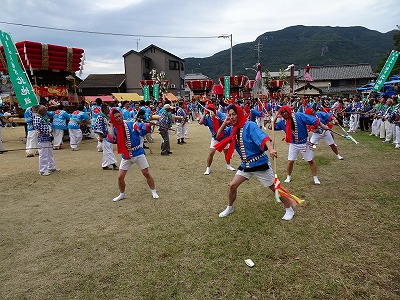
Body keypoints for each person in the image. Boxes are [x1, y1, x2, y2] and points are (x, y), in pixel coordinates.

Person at [214, 104, 296, 221]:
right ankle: (230, 207)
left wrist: (271, 149)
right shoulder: (233, 129)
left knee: (274, 187)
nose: (231, 117)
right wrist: (224, 123)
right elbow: (218, 136)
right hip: (246, 165)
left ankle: (289, 208)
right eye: (229, 115)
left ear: (239, 114)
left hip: (259, 164)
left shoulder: (250, 125)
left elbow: (263, 137)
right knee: (233, 185)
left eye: (233, 114)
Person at [107, 109, 159, 202]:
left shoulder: (130, 124)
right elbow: (111, 138)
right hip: (126, 155)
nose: (118, 118)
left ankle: (153, 190)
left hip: (138, 152)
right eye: (116, 117)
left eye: (119, 116)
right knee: (120, 177)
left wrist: (149, 125)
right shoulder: (115, 129)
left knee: (146, 173)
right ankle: (122, 194)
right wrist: (111, 126)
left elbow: (141, 128)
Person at [274, 105, 330, 185]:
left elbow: (312, 120)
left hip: (304, 143)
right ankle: (288, 176)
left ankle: (315, 178)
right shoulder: (283, 123)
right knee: (290, 161)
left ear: (289, 111)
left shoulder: (299, 116)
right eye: (283, 113)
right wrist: (276, 116)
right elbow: (272, 127)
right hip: (293, 144)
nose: (285, 115)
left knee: (310, 161)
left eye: (286, 112)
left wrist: (323, 125)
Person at [198, 103, 236, 175]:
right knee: (211, 152)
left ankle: (228, 165)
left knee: (226, 152)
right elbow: (200, 122)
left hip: (223, 136)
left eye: (211, 110)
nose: (210, 112)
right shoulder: (207, 117)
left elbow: (225, 120)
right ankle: (208, 168)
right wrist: (204, 114)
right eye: (208, 110)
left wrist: (217, 118)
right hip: (215, 137)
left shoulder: (219, 114)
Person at [32, 105, 58, 176]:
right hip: (43, 139)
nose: (46, 111)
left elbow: (49, 126)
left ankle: (51, 167)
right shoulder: (37, 118)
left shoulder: (43, 118)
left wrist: (49, 129)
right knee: (43, 155)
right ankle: (42, 170)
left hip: (47, 138)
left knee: (50, 154)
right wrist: (49, 129)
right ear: (40, 111)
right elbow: (44, 129)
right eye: (45, 110)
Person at [94, 103, 119, 170]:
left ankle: (104, 165)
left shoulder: (106, 116)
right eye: (108, 109)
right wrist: (100, 136)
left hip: (108, 135)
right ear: (104, 109)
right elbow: (99, 127)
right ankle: (114, 164)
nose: (109, 110)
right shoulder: (100, 117)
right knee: (108, 150)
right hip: (104, 136)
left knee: (107, 150)